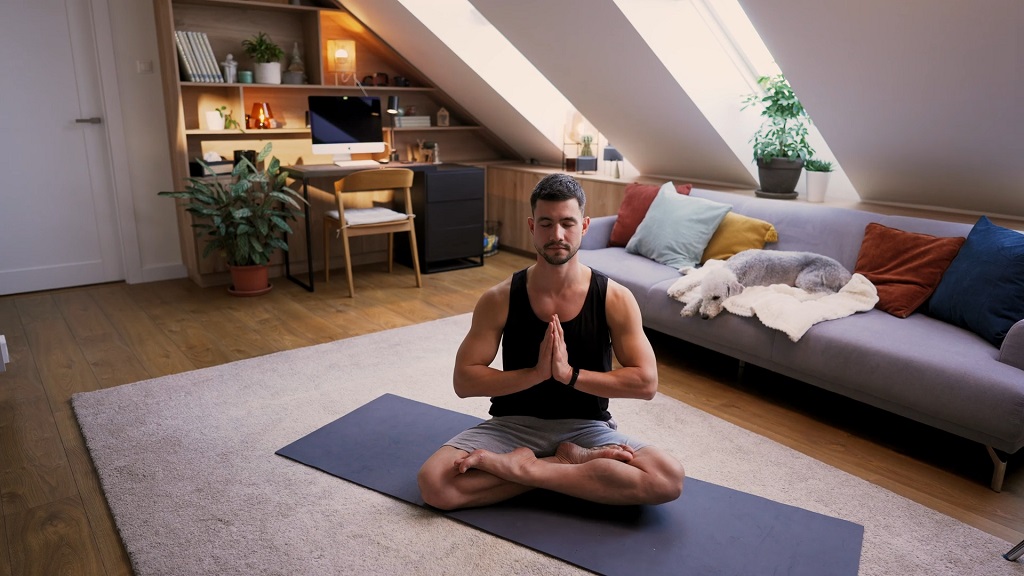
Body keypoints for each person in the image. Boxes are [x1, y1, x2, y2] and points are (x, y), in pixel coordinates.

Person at [417, 173, 685, 510]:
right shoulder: (499, 298)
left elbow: (646, 383)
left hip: (586, 427)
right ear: (531, 226)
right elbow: (464, 381)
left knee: (666, 477)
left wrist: (568, 375)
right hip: (512, 426)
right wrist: (536, 374)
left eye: (567, 223)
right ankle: (566, 465)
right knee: (435, 485)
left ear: (584, 225)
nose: (556, 234)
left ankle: (526, 469)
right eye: (545, 223)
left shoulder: (614, 298)